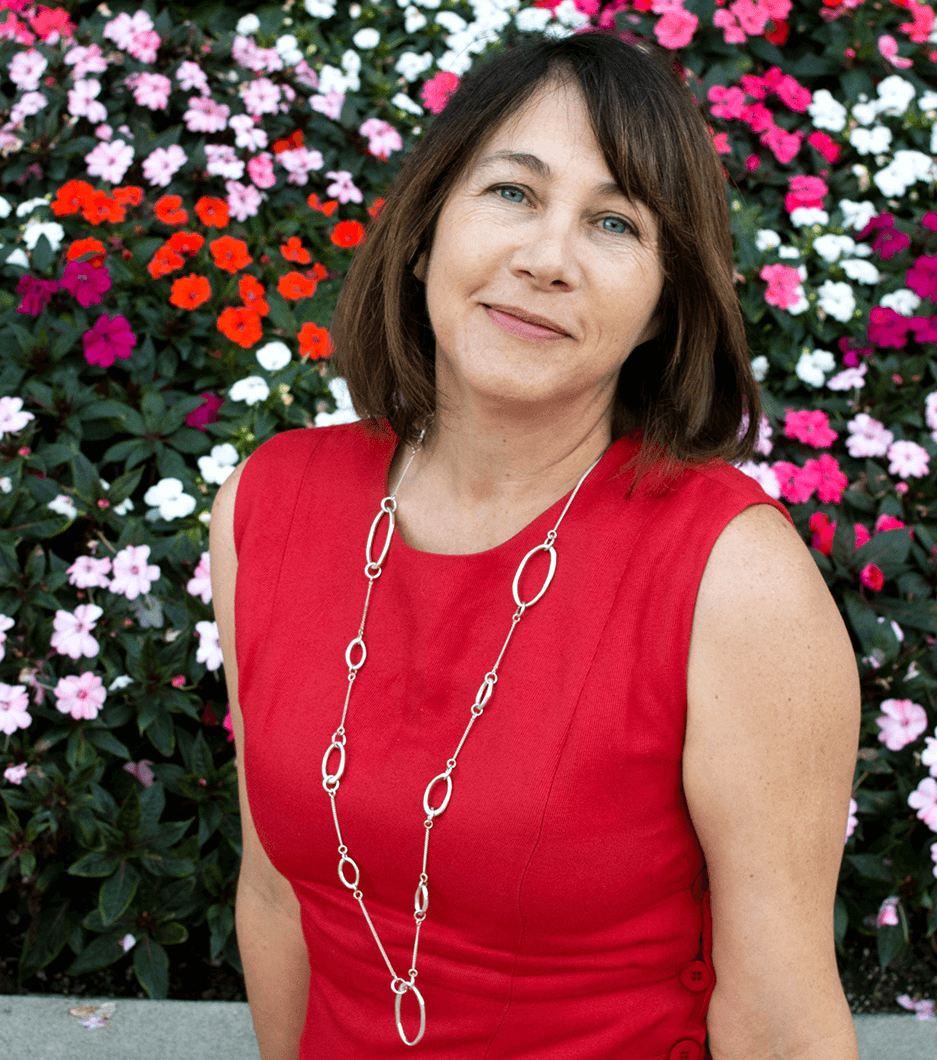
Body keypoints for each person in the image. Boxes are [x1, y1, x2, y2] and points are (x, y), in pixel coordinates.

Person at [211, 31, 861, 1060]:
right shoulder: (267, 502)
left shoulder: (734, 578)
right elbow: (275, 894)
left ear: (658, 306)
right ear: (425, 231)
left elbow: (778, 1013)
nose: (545, 259)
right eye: (512, 193)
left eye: (612, 222)